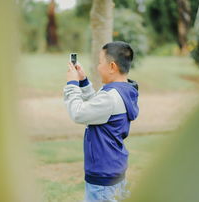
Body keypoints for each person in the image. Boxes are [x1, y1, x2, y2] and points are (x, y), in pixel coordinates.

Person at [63, 41, 139, 202]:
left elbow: (79, 113)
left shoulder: (110, 97)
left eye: (99, 62)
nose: (97, 67)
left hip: (102, 177)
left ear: (112, 66)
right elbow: (97, 110)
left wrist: (72, 84)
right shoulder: (123, 91)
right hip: (114, 168)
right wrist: (83, 82)